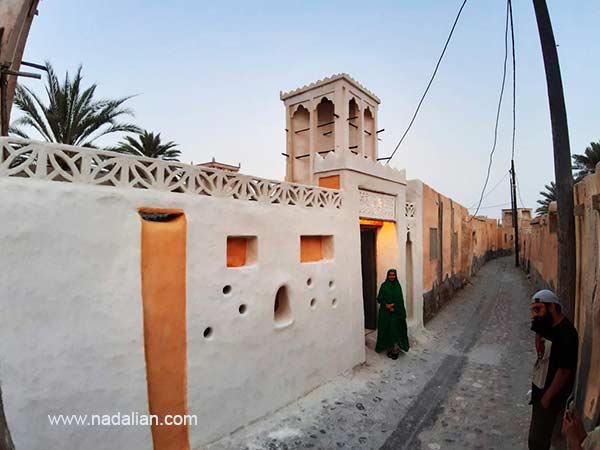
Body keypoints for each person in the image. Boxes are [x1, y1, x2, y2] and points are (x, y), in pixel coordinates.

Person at [528, 289, 579, 450]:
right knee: (538, 434)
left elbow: (564, 371)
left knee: (537, 440)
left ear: (552, 307)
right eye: (533, 310)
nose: (534, 314)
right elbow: (541, 352)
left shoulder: (566, 334)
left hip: (551, 394)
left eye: (538, 309)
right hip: (541, 389)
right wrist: (538, 330)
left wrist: (547, 398)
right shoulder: (547, 325)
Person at [375, 268, 409, 359]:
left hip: (395, 313)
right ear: (387, 275)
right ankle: (389, 350)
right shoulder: (384, 286)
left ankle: (395, 350)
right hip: (385, 314)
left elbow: (400, 300)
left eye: (393, 275)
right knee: (386, 330)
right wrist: (386, 305)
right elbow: (379, 298)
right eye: (390, 275)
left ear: (395, 276)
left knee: (395, 331)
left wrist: (394, 306)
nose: (392, 277)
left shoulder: (398, 286)